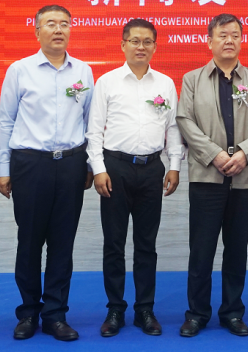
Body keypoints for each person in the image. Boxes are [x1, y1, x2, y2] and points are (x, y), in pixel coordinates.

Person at [0, 5, 94, 342]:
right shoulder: (20, 70)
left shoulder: (83, 71)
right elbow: (5, 121)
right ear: (37, 31)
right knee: (29, 241)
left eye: (64, 24)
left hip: (70, 164)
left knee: (62, 243)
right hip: (30, 164)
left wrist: (90, 165)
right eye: (50, 24)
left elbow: (90, 121)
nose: (58, 29)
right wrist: (3, 169)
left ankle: (55, 314)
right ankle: (28, 312)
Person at [176, 13, 248, 337]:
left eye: (235, 34)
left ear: (242, 40)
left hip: (245, 179)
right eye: (223, 35)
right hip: (207, 177)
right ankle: (197, 313)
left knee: (236, 249)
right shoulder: (192, 79)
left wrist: (245, 152)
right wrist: (215, 154)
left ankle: (232, 312)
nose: (229, 40)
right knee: (201, 250)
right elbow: (185, 121)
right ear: (209, 41)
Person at [86, 19, 183, 338]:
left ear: (155, 46)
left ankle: (145, 309)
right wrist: (98, 168)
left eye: (147, 42)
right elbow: (94, 130)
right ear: (123, 45)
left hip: (152, 169)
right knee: (114, 243)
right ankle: (115, 309)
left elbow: (173, 128)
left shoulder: (165, 83)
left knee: (146, 244)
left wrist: (174, 165)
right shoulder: (107, 82)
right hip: (115, 168)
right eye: (135, 41)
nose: (141, 47)